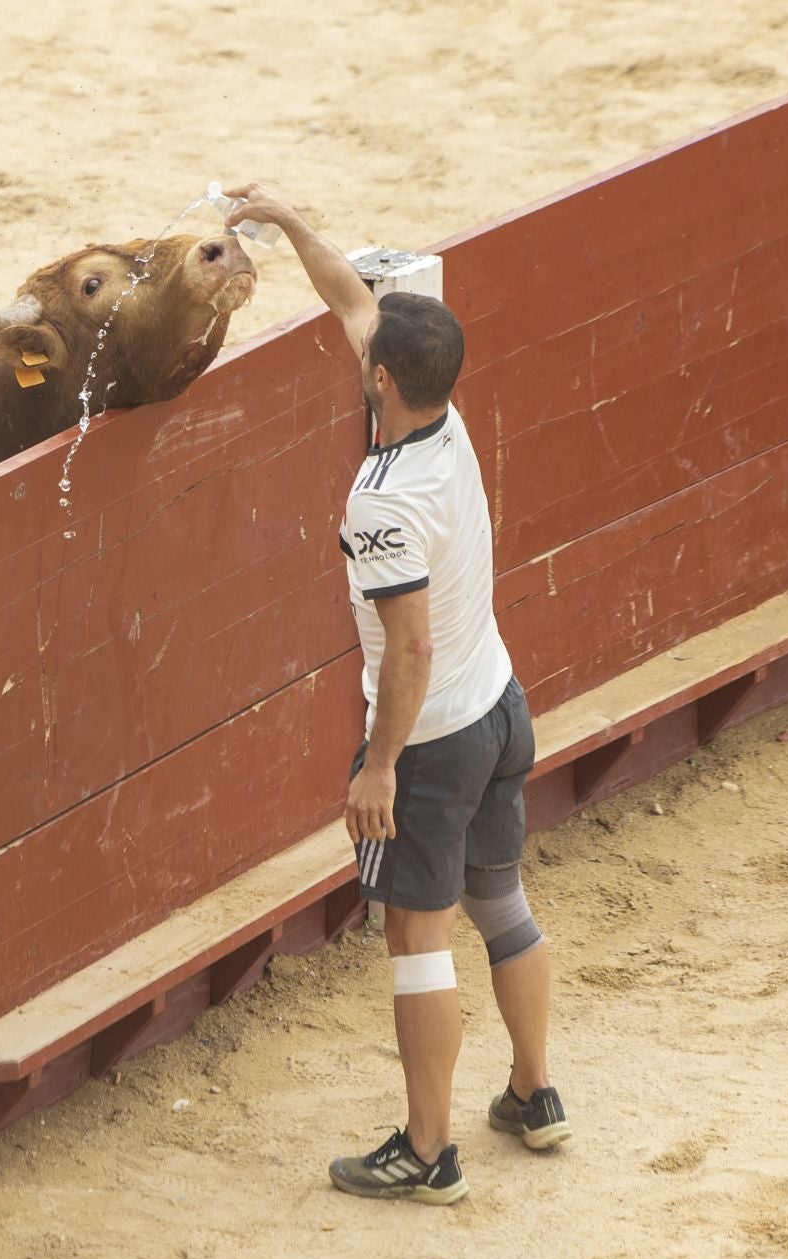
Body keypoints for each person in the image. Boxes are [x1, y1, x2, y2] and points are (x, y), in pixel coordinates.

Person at [221, 185, 570, 1205]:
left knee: (417, 935)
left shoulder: (380, 503)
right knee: (501, 896)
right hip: (501, 705)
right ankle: (534, 1091)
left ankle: (427, 1149)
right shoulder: (446, 425)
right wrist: (283, 223)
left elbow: (406, 651)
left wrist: (379, 763)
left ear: (382, 381)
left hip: (433, 741)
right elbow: (351, 305)